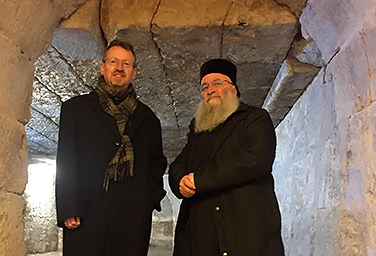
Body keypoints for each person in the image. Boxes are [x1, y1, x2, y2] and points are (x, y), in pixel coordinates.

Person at [55, 39, 167, 256]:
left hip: (132, 217)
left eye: (126, 64)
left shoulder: (148, 118)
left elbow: (157, 163)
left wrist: (148, 201)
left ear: (134, 72)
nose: (119, 68)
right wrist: (68, 208)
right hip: (86, 213)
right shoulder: (75, 109)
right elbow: (67, 160)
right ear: (103, 67)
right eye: (114, 61)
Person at [169, 59, 284, 256]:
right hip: (201, 239)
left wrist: (199, 180)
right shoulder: (199, 131)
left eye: (217, 83)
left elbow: (256, 158)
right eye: (205, 86)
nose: (210, 89)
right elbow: (179, 164)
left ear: (234, 89)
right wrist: (179, 181)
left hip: (244, 233)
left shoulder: (255, 118)